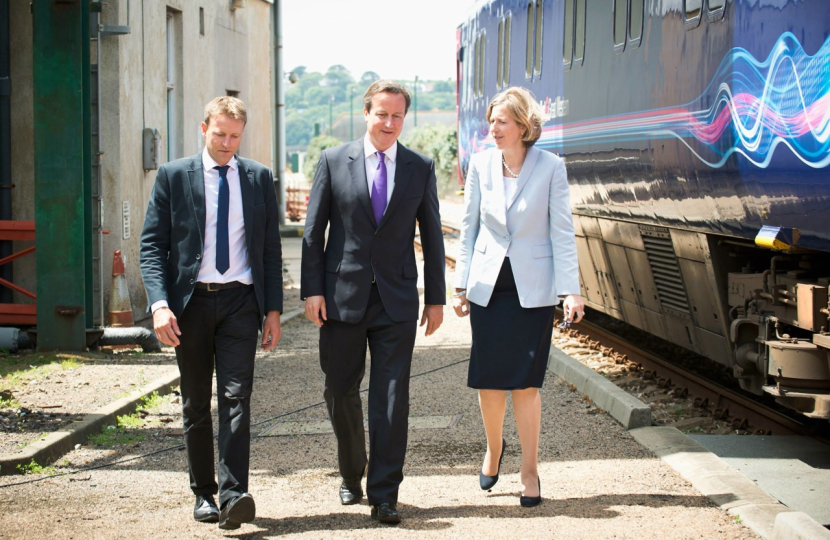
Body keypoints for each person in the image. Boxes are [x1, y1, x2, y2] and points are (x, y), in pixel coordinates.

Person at [301, 80, 445, 525]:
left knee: (391, 398)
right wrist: (312, 290)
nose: (389, 123)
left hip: (396, 301)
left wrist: (435, 299)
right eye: (382, 114)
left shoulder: (420, 166)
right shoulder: (333, 161)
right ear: (366, 113)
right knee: (339, 389)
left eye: (397, 116)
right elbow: (313, 233)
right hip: (341, 298)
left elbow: (433, 237)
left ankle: (384, 493)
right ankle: (352, 470)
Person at [139, 96, 283, 530]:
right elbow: (152, 246)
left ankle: (234, 495)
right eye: (220, 134)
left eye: (235, 136)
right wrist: (159, 305)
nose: (227, 143)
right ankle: (203, 493)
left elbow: (270, 249)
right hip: (191, 305)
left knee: (237, 397)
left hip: (241, 302)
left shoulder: (258, 177)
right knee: (196, 401)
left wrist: (273, 311)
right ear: (204, 129)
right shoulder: (173, 175)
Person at [452, 87, 585, 507]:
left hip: (533, 290)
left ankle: (530, 471)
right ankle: (494, 449)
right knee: (490, 381)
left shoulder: (551, 167)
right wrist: (460, 285)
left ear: (524, 126)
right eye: (491, 121)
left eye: (502, 121)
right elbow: (469, 228)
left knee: (526, 384)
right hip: (489, 288)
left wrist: (571, 290)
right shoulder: (481, 164)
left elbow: (562, 231)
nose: (493, 128)